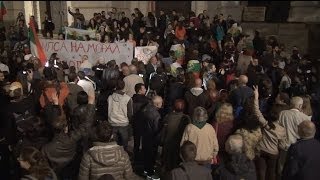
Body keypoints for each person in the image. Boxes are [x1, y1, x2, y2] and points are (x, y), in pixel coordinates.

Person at [253, 86, 286, 180]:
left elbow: (257, 111)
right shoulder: (282, 130)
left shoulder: (265, 124)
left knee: (261, 171)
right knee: (271, 172)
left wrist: (256, 97)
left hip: (262, 149)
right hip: (273, 153)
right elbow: (282, 145)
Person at [278, 96, 312, 177]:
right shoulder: (305, 118)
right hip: (297, 148)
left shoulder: (282, 113)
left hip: (284, 146)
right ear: (300, 106)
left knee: (281, 169)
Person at [161, 99, 191, 172]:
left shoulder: (168, 117)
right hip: (179, 146)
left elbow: (163, 131)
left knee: (167, 165)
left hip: (168, 145)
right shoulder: (186, 118)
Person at [139, 95, 163, 178]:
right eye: (161, 103)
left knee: (146, 154)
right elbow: (156, 129)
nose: (162, 104)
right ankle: (150, 173)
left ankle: (145, 170)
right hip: (152, 138)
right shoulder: (156, 115)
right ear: (157, 104)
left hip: (145, 136)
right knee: (151, 156)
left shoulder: (145, 109)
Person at [107, 80, 133, 152]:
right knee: (124, 145)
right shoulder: (128, 98)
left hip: (112, 122)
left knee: (113, 144)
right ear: (124, 86)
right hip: (123, 123)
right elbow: (130, 113)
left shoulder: (110, 97)